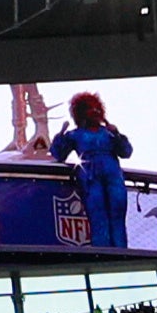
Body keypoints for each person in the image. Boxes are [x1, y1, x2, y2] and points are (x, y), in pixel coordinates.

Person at [54, 94, 136, 255]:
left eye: (97, 108)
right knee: (97, 214)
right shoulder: (75, 134)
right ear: (81, 112)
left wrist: (118, 135)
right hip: (91, 177)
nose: (95, 111)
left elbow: (126, 152)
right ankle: (103, 252)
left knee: (117, 213)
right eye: (89, 108)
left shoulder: (109, 133)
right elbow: (59, 153)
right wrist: (60, 135)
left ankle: (120, 251)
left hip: (113, 177)